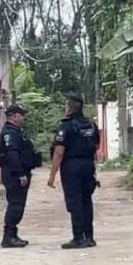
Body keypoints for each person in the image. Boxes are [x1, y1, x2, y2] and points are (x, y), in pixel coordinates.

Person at [48, 93, 100, 249]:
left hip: (72, 167)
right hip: (88, 165)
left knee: (75, 202)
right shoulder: (90, 124)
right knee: (86, 200)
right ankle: (89, 237)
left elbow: (59, 152)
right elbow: (96, 146)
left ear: (69, 108)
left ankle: (78, 237)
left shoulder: (66, 125)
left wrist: (52, 176)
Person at [0, 104, 41, 248]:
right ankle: (8, 237)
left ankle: (13, 235)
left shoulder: (17, 131)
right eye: (21, 115)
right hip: (14, 174)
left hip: (18, 172)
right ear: (14, 116)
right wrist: (20, 174)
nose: (23, 118)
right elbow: (12, 155)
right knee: (15, 205)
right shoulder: (11, 133)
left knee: (18, 204)